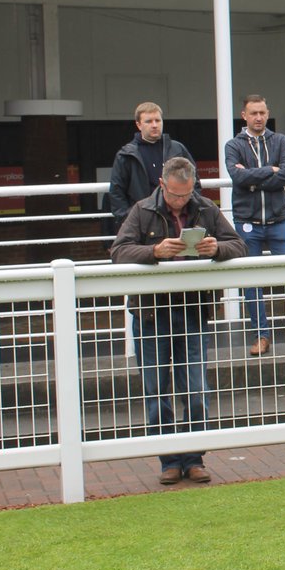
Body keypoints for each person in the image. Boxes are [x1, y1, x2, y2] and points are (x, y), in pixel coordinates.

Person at [110, 157, 245, 485]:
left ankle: (194, 457)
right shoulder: (142, 210)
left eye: (185, 195)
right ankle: (168, 460)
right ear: (162, 185)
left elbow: (238, 245)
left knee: (196, 389)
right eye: (174, 196)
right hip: (151, 313)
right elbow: (118, 251)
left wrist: (216, 248)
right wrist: (154, 252)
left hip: (193, 311)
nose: (180, 201)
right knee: (157, 390)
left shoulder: (206, 208)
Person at [225, 94, 285, 356]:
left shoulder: (280, 141)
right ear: (244, 115)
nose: (258, 117)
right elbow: (237, 177)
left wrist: (254, 178)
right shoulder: (233, 145)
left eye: (262, 112)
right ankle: (261, 336)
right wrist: (272, 171)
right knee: (251, 282)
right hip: (247, 224)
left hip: (279, 221)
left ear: (267, 113)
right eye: (253, 113)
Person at [109, 101, 199, 233]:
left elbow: (195, 181)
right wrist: (128, 219)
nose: (154, 125)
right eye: (149, 121)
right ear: (138, 125)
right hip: (143, 220)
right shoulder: (126, 155)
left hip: (179, 217)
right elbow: (117, 192)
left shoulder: (177, 149)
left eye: (158, 120)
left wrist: (192, 210)